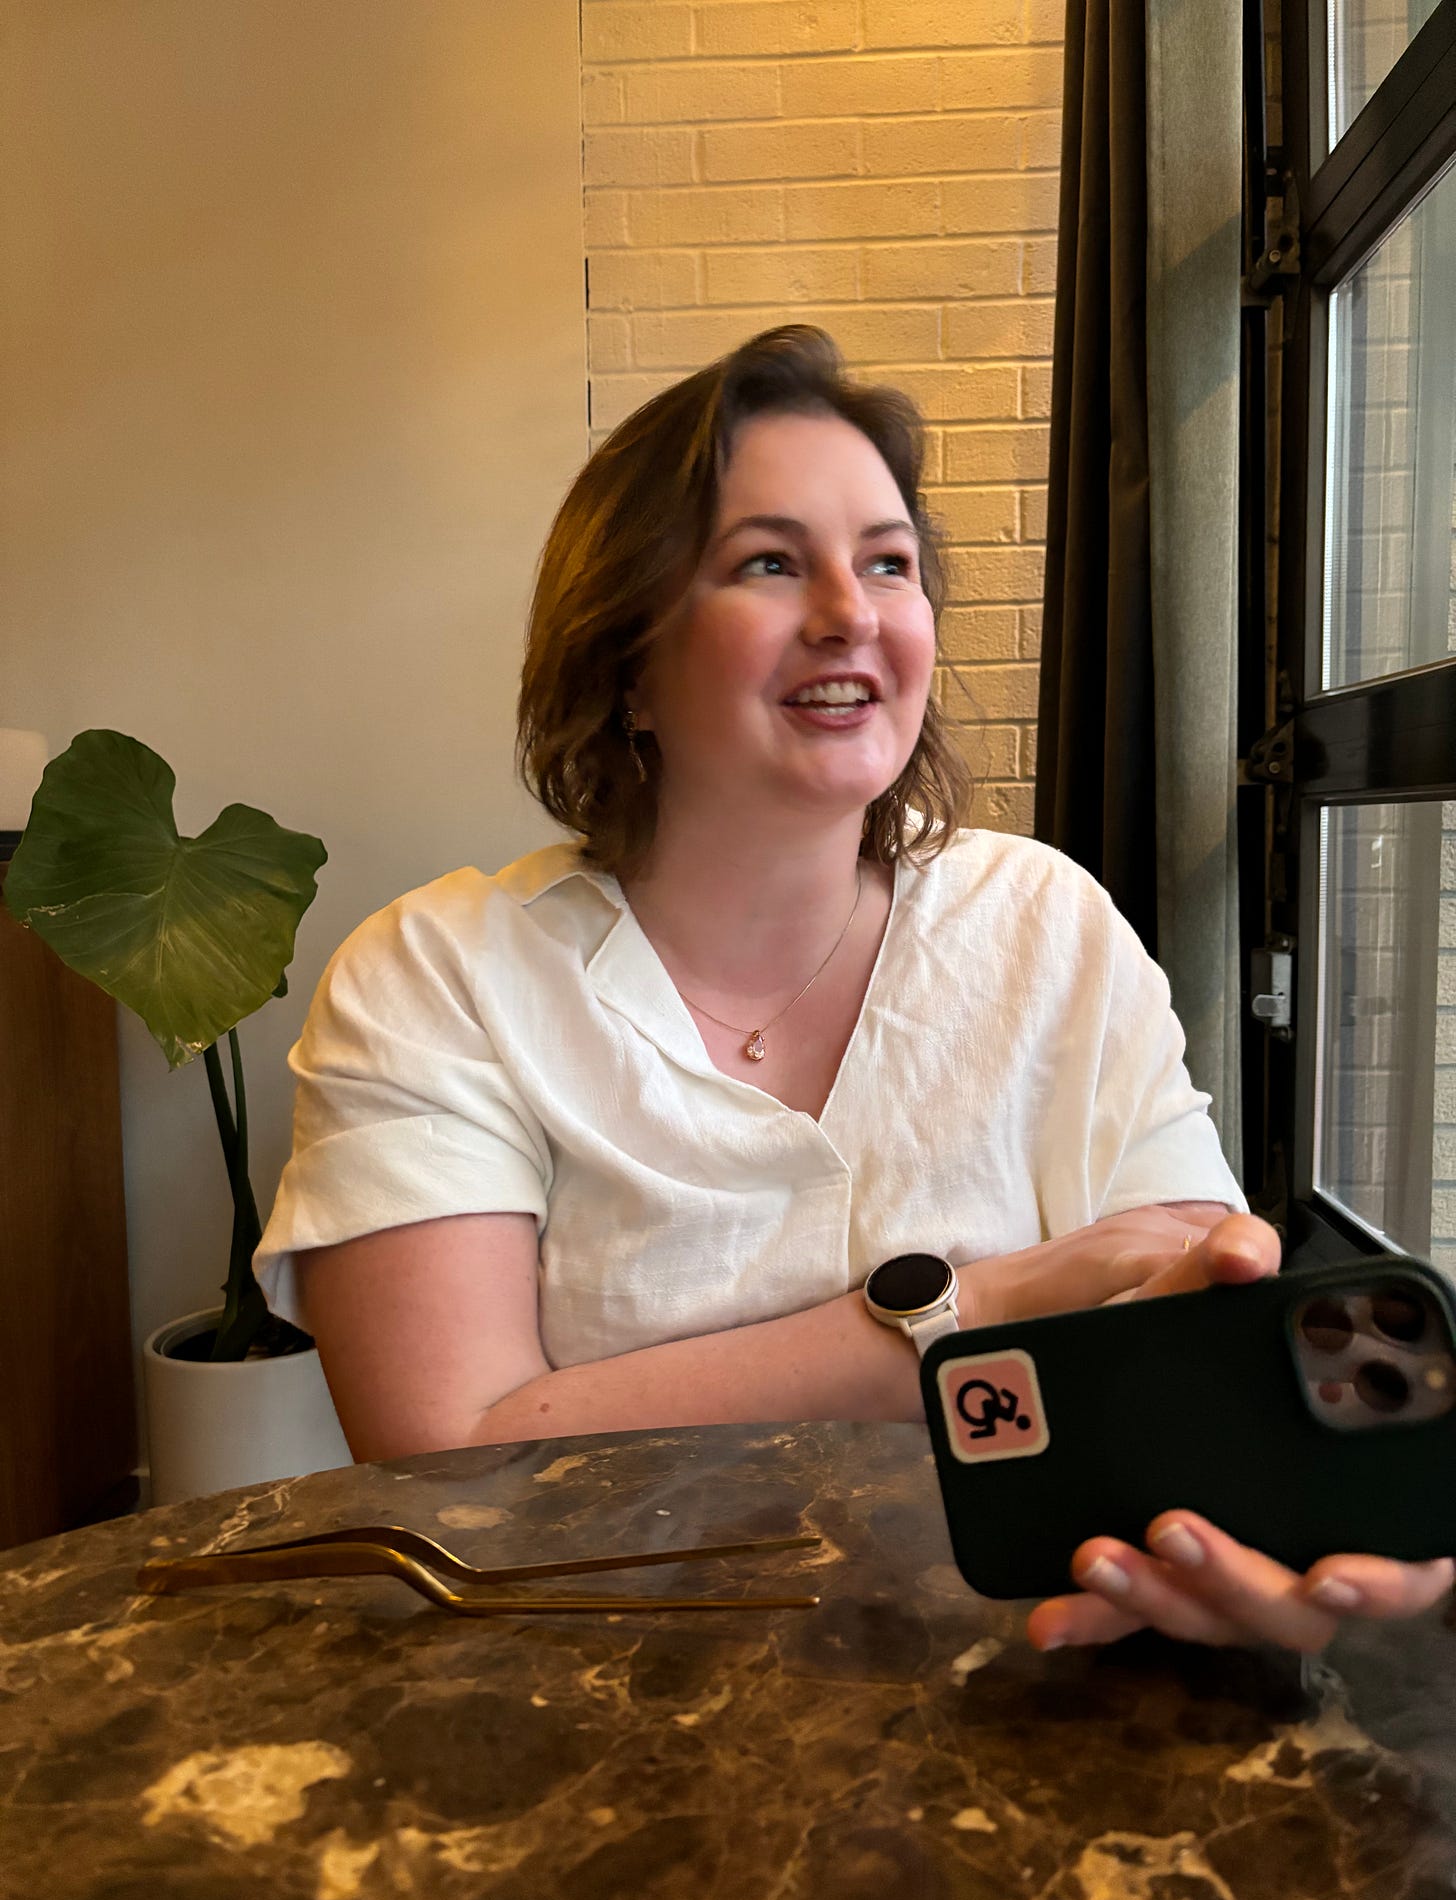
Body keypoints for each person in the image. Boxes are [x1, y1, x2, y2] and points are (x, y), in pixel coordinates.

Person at [255, 325, 1452, 1654]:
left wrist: (1291, 1538)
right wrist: (972, 1309)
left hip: (1034, 1672)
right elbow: (448, 1452)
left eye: (889, 563)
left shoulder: (1045, 924)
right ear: (629, 661)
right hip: (595, 1695)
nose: (854, 611)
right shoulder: (440, 975)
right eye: (770, 562)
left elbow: (1183, 1324)